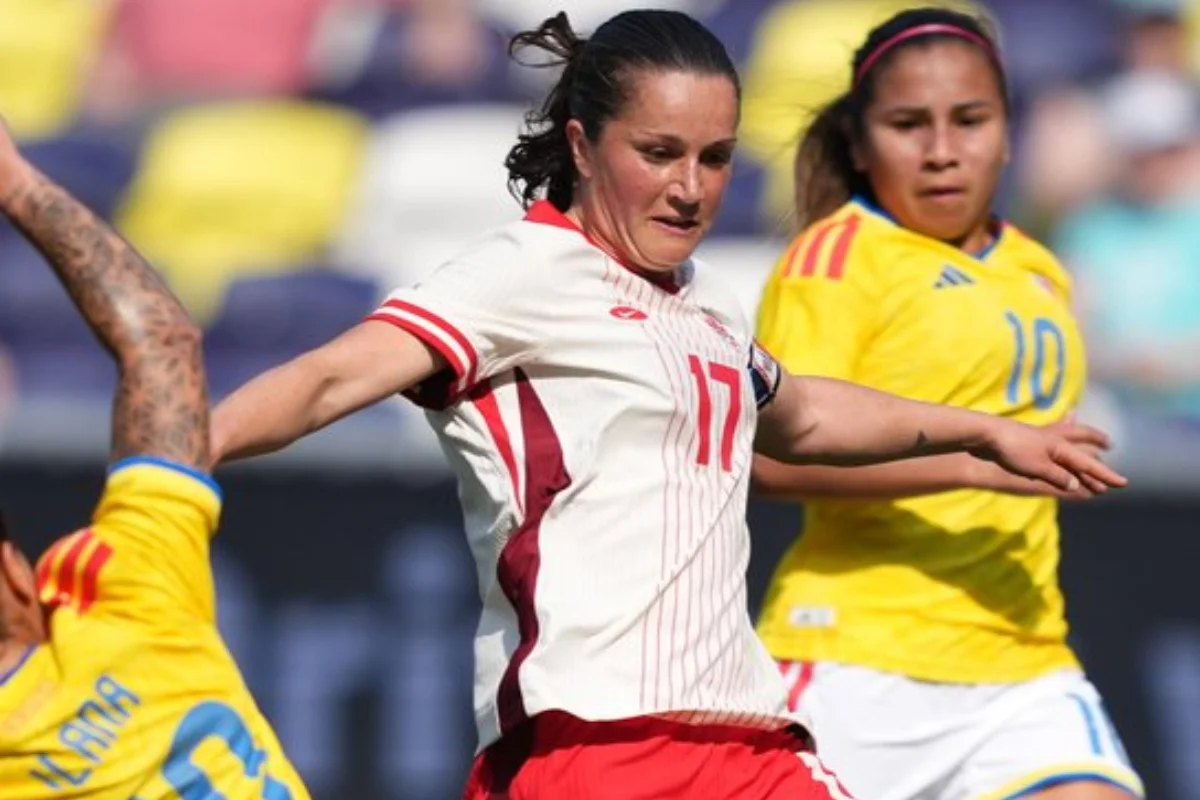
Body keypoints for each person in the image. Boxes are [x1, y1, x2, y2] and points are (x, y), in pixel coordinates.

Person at [210, 10, 1124, 800]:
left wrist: (991, 435)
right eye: (659, 153)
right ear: (581, 145)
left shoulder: (704, 299)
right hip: (593, 745)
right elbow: (331, 377)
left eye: (715, 158)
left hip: (751, 744)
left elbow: (802, 416)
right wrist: (179, 457)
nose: (691, 187)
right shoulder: (519, 273)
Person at [753, 7, 1144, 800]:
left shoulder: (1040, 268)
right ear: (861, 142)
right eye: (908, 124)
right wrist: (975, 465)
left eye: (970, 120)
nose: (941, 151)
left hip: (1024, 660)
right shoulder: (834, 257)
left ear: (1008, 131)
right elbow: (766, 460)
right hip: (855, 660)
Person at [0, 124, 310, 797]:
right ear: (16, 572)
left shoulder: (127, 590)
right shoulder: (124, 593)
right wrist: (16, 185)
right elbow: (160, 343)